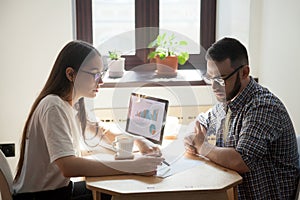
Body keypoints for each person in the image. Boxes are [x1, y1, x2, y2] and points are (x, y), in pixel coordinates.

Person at [13, 40, 164, 200]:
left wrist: (138, 141)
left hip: (58, 190)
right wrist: (133, 166)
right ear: (71, 74)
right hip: (40, 197)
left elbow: (100, 131)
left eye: (102, 73)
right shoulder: (53, 106)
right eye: (94, 74)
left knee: (117, 186)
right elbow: (69, 166)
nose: (101, 81)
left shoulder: (74, 102)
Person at [184, 37, 299, 199]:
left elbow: (241, 160)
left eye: (221, 79)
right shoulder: (229, 98)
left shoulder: (264, 107)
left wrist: (202, 146)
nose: (214, 86)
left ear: (244, 72)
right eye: (210, 78)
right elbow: (205, 118)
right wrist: (195, 132)